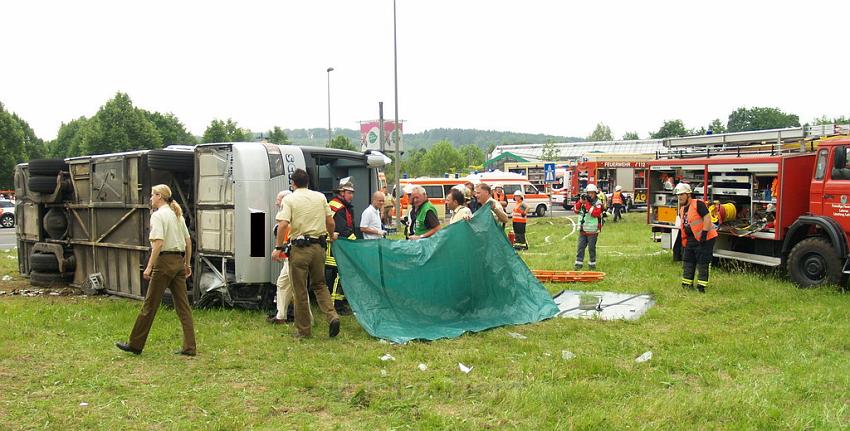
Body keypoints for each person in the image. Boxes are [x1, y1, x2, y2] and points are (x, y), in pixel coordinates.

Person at [116, 184, 196, 356]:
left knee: (150, 305)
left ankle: (135, 344)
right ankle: (190, 347)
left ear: (159, 196)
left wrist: (150, 266)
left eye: (152, 195)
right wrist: (187, 263)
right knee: (183, 307)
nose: (151, 198)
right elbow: (188, 242)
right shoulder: (177, 215)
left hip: (164, 262)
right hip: (178, 262)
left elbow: (158, 243)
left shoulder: (158, 216)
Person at [272, 169, 340, 338]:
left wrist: (278, 248)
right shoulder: (320, 197)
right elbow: (330, 221)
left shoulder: (290, 199)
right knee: (320, 285)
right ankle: (332, 316)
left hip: (300, 249)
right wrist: (331, 235)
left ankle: (304, 330)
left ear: (293, 184)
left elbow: (282, 225)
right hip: (319, 248)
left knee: (300, 289)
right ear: (308, 182)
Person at [268, 190, 314, 325]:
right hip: (291, 256)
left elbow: (284, 233)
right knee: (283, 284)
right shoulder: (295, 213)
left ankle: (308, 320)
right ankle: (281, 316)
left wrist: (278, 250)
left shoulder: (288, 216)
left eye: (278, 199)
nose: (276, 202)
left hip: (293, 256)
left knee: (298, 289)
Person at [675, 182, 717, 293]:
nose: (679, 197)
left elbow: (707, 218)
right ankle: (686, 285)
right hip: (691, 239)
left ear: (689, 195)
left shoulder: (698, 204)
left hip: (705, 238)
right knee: (688, 261)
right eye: (678, 195)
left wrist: (704, 234)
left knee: (703, 262)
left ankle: (701, 287)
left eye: (682, 194)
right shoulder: (682, 209)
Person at [326, 178, 356, 315]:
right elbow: (343, 230)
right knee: (338, 274)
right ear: (342, 193)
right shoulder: (339, 208)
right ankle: (337, 305)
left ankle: (337, 303)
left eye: (352, 193)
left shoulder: (335, 204)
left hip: (332, 247)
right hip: (333, 248)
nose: (352, 196)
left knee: (336, 275)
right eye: (349, 193)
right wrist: (356, 243)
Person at [574, 184, 603, 270]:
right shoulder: (584, 201)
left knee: (591, 248)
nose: (590, 195)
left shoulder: (598, 202)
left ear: (595, 193)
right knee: (580, 248)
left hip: (592, 230)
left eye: (592, 193)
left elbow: (596, 213)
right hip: (583, 229)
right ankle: (578, 265)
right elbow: (576, 210)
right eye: (588, 193)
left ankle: (592, 265)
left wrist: (586, 204)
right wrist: (580, 202)